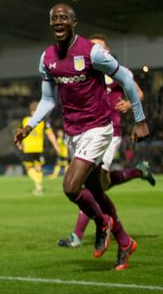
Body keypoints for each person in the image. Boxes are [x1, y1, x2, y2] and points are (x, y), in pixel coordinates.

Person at [14, 4, 149, 270]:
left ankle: (102, 223)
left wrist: (140, 119)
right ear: (50, 23)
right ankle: (124, 241)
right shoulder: (47, 58)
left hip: (99, 128)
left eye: (64, 17)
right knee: (97, 189)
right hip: (74, 131)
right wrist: (30, 126)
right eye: (54, 18)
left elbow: (125, 78)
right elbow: (47, 99)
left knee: (71, 186)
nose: (59, 21)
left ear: (74, 22)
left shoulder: (92, 52)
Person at [57, 33, 155, 248]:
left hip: (108, 134)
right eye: (92, 47)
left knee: (88, 185)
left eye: (99, 47)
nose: (94, 50)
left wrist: (130, 106)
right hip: (84, 132)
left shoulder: (117, 71)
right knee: (100, 183)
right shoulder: (85, 73)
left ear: (107, 51)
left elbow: (138, 93)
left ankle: (79, 235)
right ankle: (139, 171)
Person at [16, 101, 60, 195]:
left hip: (28, 149)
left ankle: (37, 182)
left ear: (30, 110)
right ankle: (38, 186)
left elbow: (20, 132)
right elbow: (50, 133)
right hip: (39, 148)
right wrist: (56, 145)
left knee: (29, 168)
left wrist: (19, 142)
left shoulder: (25, 120)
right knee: (38, 168)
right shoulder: (42, 121)